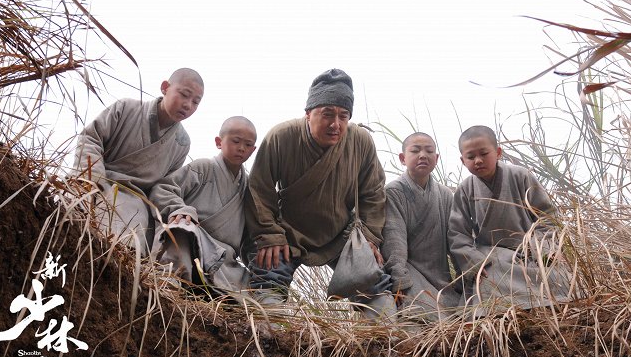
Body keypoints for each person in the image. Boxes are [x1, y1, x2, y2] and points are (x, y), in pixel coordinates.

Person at [243, 68, 395, 320]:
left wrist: (369, 236)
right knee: (268, 275)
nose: (336, 124)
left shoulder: (361, 141)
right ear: (308, 114)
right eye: (327, 114)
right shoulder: (281, 137)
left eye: (343, 116)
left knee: (375, 281)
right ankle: (269, 339)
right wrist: (269, 234)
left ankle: (382, 343)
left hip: (340, 233)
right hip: (287, 232)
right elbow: (260, 190)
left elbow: (373, 193)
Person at [73, 68, 204, 255]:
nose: (188, 105)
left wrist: (178, 209)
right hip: (96, 181)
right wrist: (93, 180)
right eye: (184, 95)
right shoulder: (126, 108)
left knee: (130, 238)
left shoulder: (181, 142)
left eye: (195, 102)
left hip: (136, 201)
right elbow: (91, 138)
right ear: (165, 87)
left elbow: (163, 186)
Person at [448, 125, 569, 314]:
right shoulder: (465, 189)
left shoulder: (521, 176)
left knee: (558, 278)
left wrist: (545, 250)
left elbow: (546, 216)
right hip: (491, 255)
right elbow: (457, 233)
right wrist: (473, 262)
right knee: (488, 278)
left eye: (484, 153)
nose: (478, 160)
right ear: (463, 161)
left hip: (530, 250)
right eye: (471, 157)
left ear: (497, 152)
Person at [149, 116, 257, 296]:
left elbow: (249, 235)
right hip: (192, 241)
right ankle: (170, 282)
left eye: (247, 145)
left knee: (254, 290)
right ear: (218, 142)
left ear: (253, 150)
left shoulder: (248, 188)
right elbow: (163, 189)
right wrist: (181, 209)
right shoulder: (203, 167)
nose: (241, 148)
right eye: (236, 141)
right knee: (182, 227)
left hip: (224, 260)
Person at [381, 132, 460, 321]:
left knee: (462, 316)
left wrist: (467, 275)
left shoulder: (445, 195)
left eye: (429, 151)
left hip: (441, 277)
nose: (423, 155)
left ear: (436, 158)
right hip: (410, 272)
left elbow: (455, 240)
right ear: (402, 158)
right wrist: (399, 280)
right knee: (428, 317)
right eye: (415, 151)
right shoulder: (393, 192)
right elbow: (394, 240)